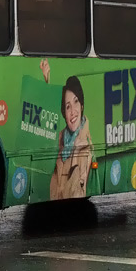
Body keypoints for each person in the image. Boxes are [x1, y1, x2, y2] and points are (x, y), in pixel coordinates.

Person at [41, 59, 92, 200]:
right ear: (64, 113)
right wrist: (47, 80)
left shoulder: (84, 147)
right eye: (68, 106)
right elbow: (45, 116)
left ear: (82, 106)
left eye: (76, 102)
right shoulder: (60, 141)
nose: (73, 111)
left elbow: (78, 193)